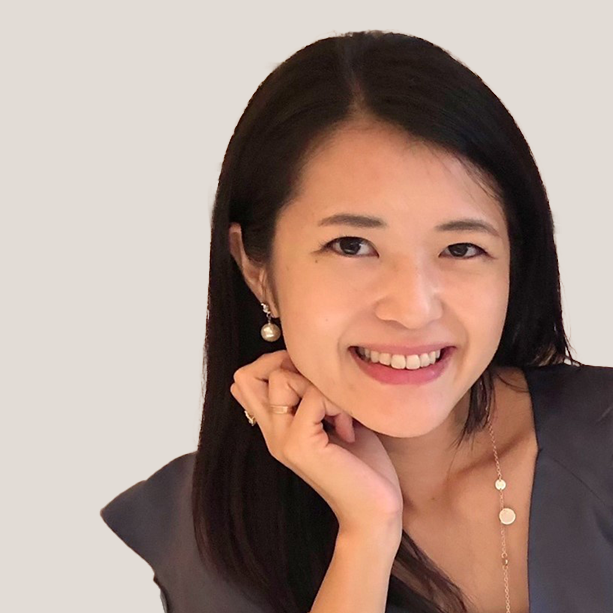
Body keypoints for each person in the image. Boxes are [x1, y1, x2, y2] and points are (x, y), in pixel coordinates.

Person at [100, 30, 613, 613]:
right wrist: (367, 533)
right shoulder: (202, 533)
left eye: (462, 248)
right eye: (351, 245)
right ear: (256, 268)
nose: (413, 308)